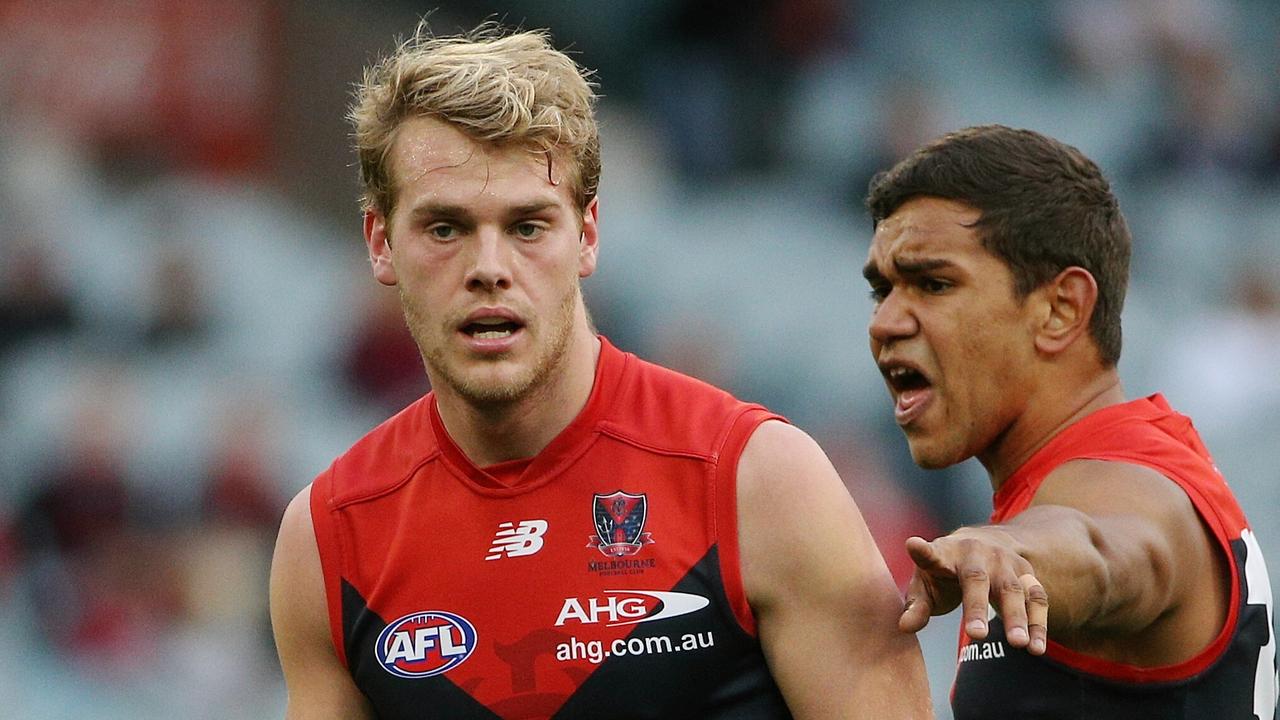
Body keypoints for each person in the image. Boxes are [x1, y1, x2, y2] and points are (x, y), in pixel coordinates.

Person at [269, 23, 933, 720]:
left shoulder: (755, 480)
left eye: (528, 226)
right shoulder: (329, 538)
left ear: (587, 235)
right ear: (380, 243)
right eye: (445, 229)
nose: (489, 268)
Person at [861, 124, 1278, 719]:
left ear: (1061, 309)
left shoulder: (1126, 483)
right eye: (882, 290)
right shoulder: (1117, 461)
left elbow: (1102, 550)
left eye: (934, 283)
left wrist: (1012, 549)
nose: (886, 322)